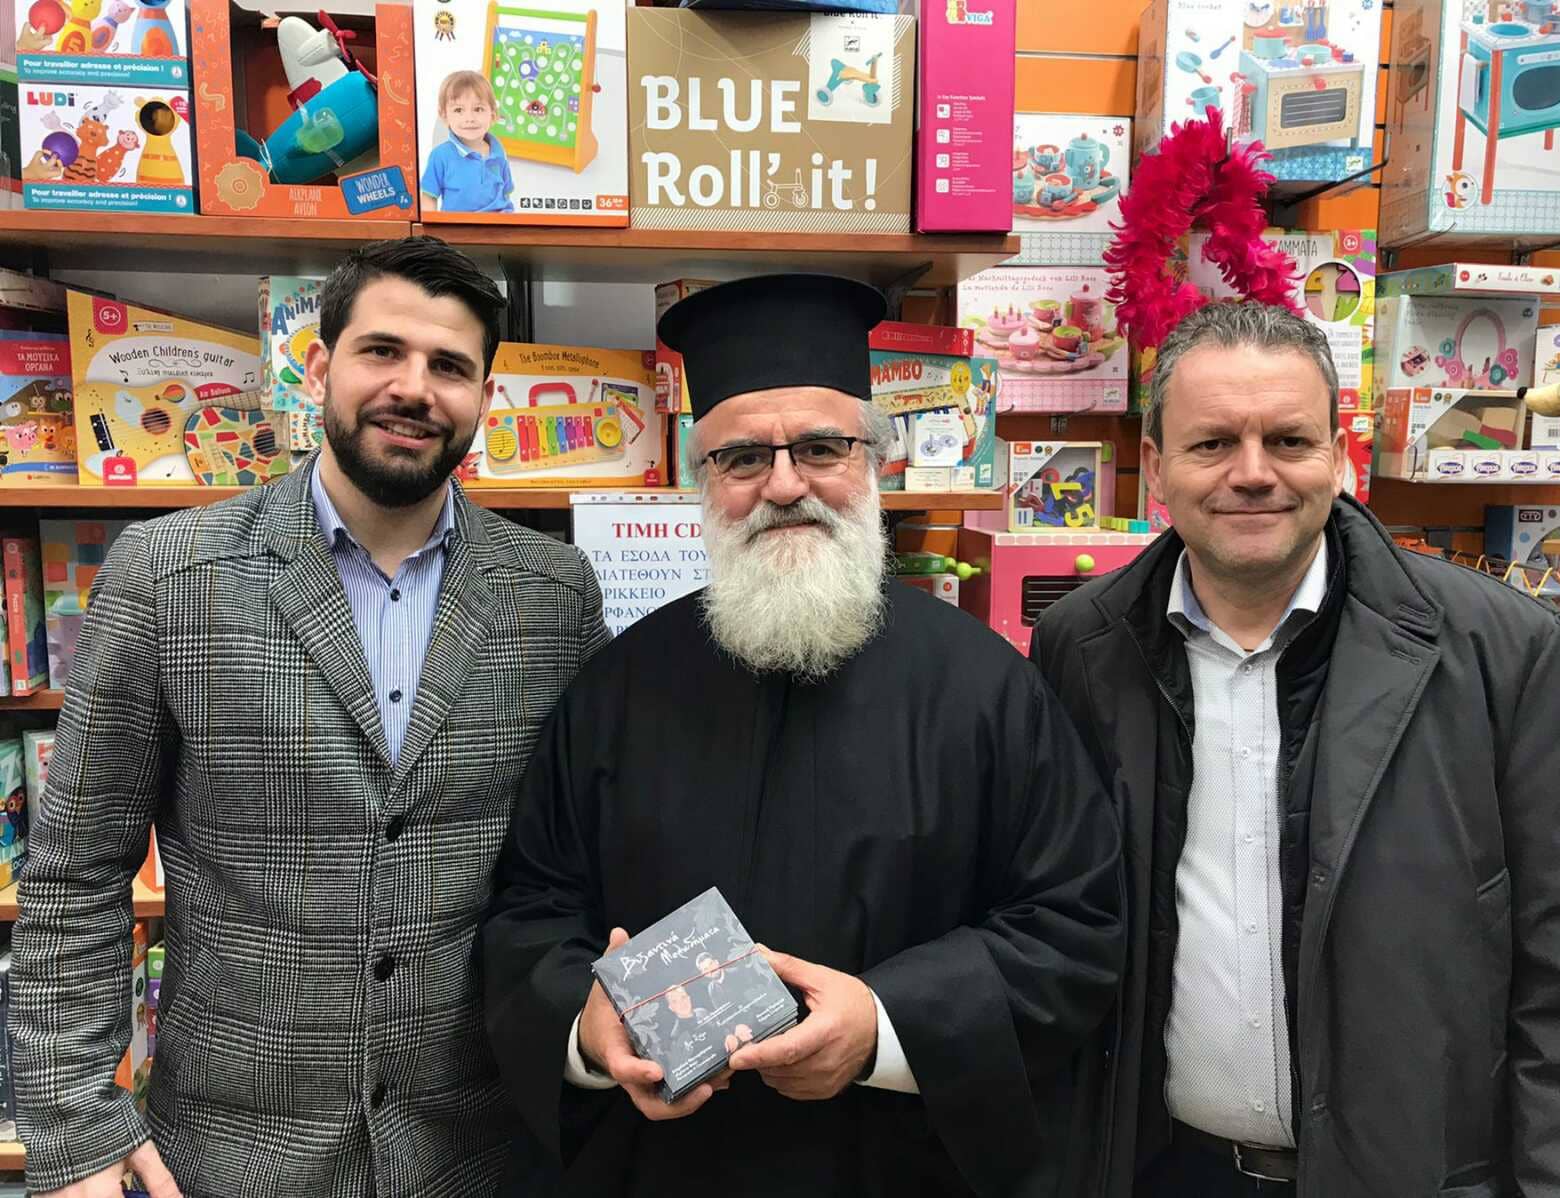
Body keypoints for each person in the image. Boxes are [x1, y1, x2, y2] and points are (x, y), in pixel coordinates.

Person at [482, 273, 1125, 1197]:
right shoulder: (618, 686)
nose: (784, 485)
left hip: (905, 1167)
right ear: (703, 481)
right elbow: (532, 908)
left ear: (875, 464)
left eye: (821, 448)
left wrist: (885, 1026)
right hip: (664, 1168)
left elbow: (1072, 924)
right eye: (743, 458)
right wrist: (586, 1025)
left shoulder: (987, 689)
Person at [11, 236, 609, 1197]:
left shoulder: (554, 594)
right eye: (383, 351)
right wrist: (76, 1129)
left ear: (485, 398)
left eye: (449, 366)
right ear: (321, 367)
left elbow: (580, 858)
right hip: (232, 1153)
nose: (413, 388)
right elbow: (76, 871)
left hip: (483, 1150)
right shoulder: (168, 576)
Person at [1030, 300, 1560, 1197]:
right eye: (1214, 443)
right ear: (1156, 466)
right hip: (1165, 1171)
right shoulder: (1082, 646)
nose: (1253, 474)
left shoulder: (1505, 652)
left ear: (1339, 456)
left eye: (1289, 441)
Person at [421, 70, 515, 215]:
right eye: (458, 110)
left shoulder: (498, 152)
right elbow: (429, 198)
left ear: (493, 115)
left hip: (498, 224)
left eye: (478, 109)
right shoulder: (440, 156)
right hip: (458, 226)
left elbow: (506, 195)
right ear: (444, 115)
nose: (469, 118)